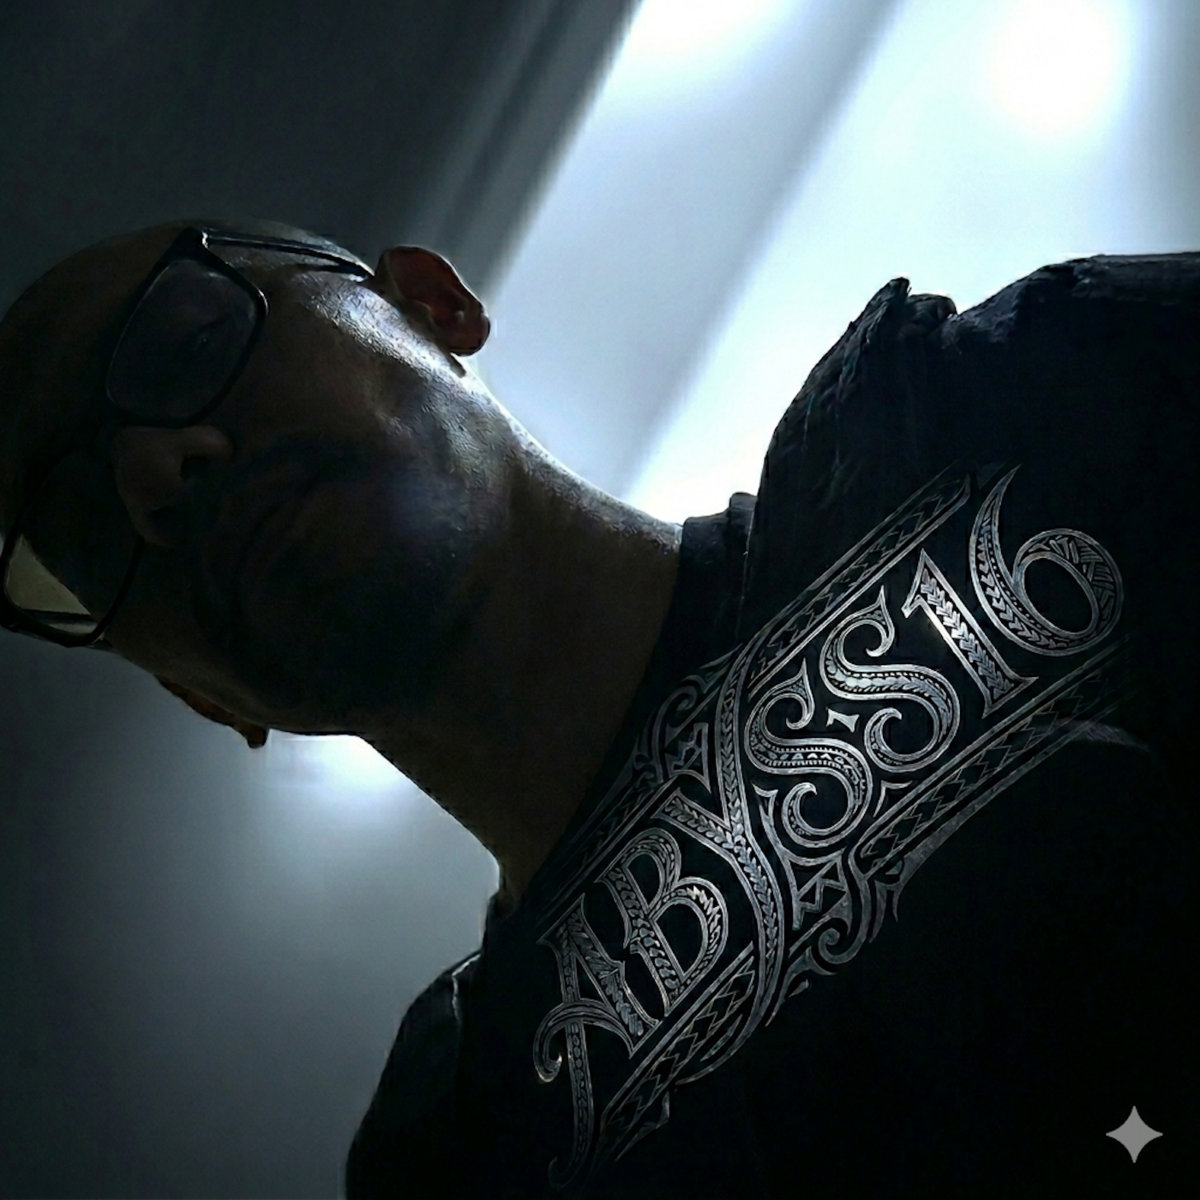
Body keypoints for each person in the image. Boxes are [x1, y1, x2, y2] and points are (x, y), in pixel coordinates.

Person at [0, 221, 1195, 1198]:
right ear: (204, 697)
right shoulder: (456, 1153)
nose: (152, 477)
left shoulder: (997, 400)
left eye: (186, 342)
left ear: (430, 304)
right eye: (93, 531)